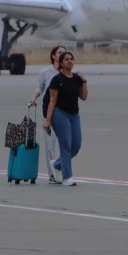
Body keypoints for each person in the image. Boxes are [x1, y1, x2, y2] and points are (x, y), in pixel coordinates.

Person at [43, 51, 87, 186]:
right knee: (66, 145)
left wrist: (84, 80)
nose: (69, 61)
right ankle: (67, 177)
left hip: (74, 115)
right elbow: (52, 101)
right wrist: (48, 120)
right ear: (61, 63)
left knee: (76, 146)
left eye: (71, 59)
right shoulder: (57, 79)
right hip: (59, 113)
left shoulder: (76, 79)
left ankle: (56, 164)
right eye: (66, 59)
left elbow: (84, 97)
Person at [28, 45, 66, 184]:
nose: (63, 54)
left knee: (65, 144)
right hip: (49, 112)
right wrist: (34, 98)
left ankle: (62, 171)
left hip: (64, 112)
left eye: (64, 52)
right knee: (50, 145)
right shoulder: (45, 72)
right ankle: (52, 175)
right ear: (54, 56)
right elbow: (40, 87)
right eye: (60, 52)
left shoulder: (67, 72)